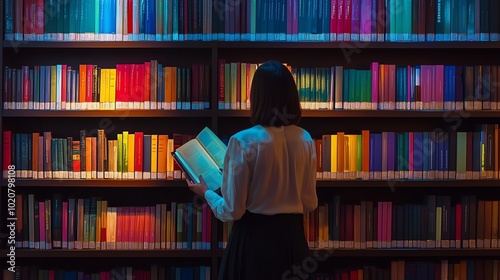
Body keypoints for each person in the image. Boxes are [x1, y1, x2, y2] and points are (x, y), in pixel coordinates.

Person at [187, 60, 318, 280]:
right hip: (293, 243)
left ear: (257, 98)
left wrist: (206, 192)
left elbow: (232, 211)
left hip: (254, 246)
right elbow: (309, 203)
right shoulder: (305, 139)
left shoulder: (243, 141)